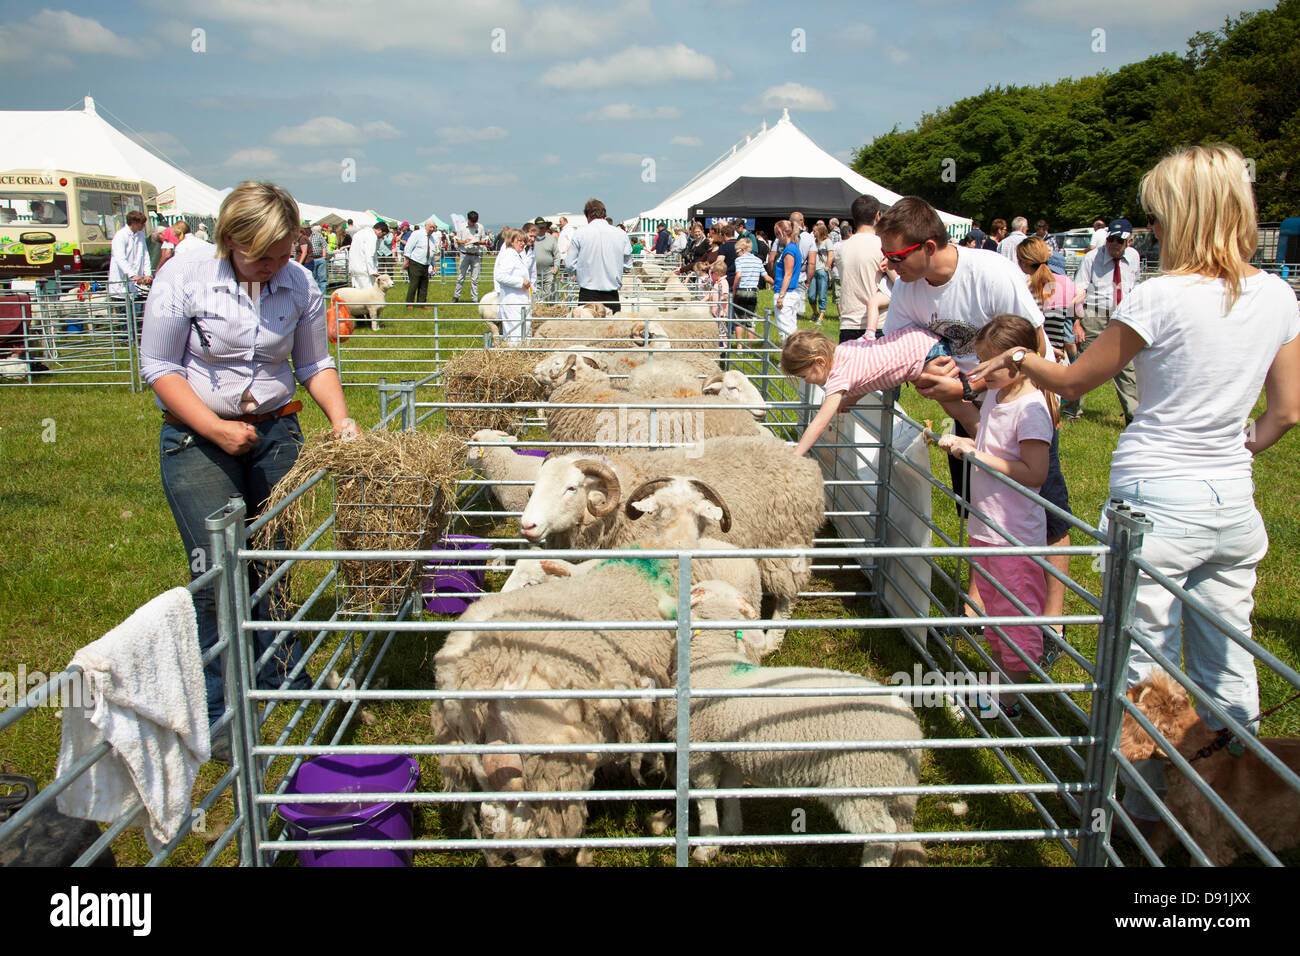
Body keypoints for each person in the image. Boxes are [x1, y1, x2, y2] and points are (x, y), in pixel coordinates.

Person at [970, 144, 1300, 800]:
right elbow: (1287, 411)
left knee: (1141, 657)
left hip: (1156, 498)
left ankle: (1141, 808)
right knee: (1229, 654)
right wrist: (1235, 451)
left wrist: (1022, 359)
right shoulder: (1278, 294)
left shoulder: (1159, 298)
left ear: (1181, 217)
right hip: (1232, 499)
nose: (1151, 228)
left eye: (1156, 217)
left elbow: (1072, 380)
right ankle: (1230, 799)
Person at [139, 180, 362, 760]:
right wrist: (214, 429)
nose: (277, 263)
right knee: (216, 569)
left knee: (272, 558)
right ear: (230, 241)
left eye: (286, 250)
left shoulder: (299, 282)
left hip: (275, 432)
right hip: (196, 436)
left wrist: (340, 421)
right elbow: (160, 365)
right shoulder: (183, 277)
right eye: (264, 254)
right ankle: (219, 705)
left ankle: (280, 671)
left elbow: (312, 360)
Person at [878, 196, 1074, 639]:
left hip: (1019, 404)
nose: (891, 266)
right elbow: (897, 348)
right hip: (964, 411)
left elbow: (1032, 349)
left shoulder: (990, 273)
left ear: (929, 245)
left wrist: (968, 387)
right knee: (978, 504)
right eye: (886, 257)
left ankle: (1054, 616)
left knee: (1048, 510)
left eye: (897, 256)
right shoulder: (908, 289)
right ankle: (978, 601)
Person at [941, 315, 1056, 717]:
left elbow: (1035, 473)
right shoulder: (996, 396)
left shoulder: (1031, 409)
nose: (981, 368)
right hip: (986, 526)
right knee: (995, 609)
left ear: (1021, 361)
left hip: (1014, 533)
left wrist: (979, 456)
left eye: (991, 361)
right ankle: (1000, 685)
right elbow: (994, 448)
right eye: (979, 358)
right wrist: (965, 443)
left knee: (1016, 615)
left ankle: (1011, 700)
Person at [782, 327, 965, 458]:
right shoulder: (847, 350)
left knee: (958, 409)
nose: (806, 381)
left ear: (820, 362)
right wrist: (847, 402)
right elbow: (868, 377)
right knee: (957, 406)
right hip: (921, 340)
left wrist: (796, 455)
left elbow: (820, 421)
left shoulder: (839, 375)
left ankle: (980, 446)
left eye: (804, 376)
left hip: (925, 354)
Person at [1066, 217, 1141, 423]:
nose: (1114, 244)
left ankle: (1133, 415)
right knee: (1084, 363)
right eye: (1111, 240)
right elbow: (1079, 289)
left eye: (1119, 240)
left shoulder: (1133, 257)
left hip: (1124, 316)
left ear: (1129, 241)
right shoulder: (1092, 257)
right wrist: (1077, 321)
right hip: (1094, 315)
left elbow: (1133, 286)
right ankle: (1072, 411)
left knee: (1126, 366)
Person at [837, 195, 890, 343]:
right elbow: (900, 284)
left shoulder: (841, 248)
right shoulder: (883, 245)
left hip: (848, 323)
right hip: (879, 324)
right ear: (878, 215)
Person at [1017, 236, 1081, 358]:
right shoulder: (1064, 282)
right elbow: (1075, 314)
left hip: (1035, 355)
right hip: (1056, 354)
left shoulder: (1025, 289)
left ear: (1023, 263)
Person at [566, 198, 631, 313]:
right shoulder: (620, 234)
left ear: (587, 215)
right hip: (611, 294)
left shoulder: (580, 233)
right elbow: (627, 265)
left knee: (587, 329)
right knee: (611, 329)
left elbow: (570, 264)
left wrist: (580, 273)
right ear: (604, 214)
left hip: (588, 294)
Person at [108, 210, 151, 334]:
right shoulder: (120, 236)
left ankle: (136, 336)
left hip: (137, 280)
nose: (143, 227)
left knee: (137, 311)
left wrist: (147, 273)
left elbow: (145, 255)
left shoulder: (140, 235)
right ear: (133, 223)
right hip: (123, 280)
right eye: (141, 224)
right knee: (125, 311)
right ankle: (126, 337)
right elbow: (120, 258)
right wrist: (132, 274)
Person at [492, 226, 532, 343]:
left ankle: (522, 355)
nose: (522, 243)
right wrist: (520, 282)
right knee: (515, 335)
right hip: (512, 301)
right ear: (511, 241)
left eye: (524, 241)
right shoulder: (509, 255)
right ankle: (516, 357)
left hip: (519, 300)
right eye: (519, 241)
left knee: (522, 332)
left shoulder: (516, 255)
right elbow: (500, 276)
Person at [770, 219, 804, 340]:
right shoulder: (794, 248)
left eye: (777, 235)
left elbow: (788, 274)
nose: (778, 239)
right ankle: (795, 355)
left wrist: (781, 296)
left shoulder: (789, 250)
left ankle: (788, 355)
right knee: (791, 329)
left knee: (785, 331)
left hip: (786, 293)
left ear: (782, 233)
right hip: (791, 293)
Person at [731, 236, 764, 344]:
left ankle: (740, 346)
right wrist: (776, 284)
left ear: (743, 249)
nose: (737, 254)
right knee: (751, 320)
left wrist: (734, 289)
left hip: (741, 291)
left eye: (737, 251)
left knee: (739, 319)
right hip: (753, 292)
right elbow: (765, 276)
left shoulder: (739, 260)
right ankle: (749, 347)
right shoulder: (758, 261)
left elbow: (739, 275)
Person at [453, 210, 488, 302]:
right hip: (465, 254)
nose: (473, 224)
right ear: (468, 219)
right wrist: (465, 241)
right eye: (472, 222)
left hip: (475, 255)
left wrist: (478, 242)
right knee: (461, 277)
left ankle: (475, 299)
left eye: (475, 222)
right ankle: (456, 296)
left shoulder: (480, 227)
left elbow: (484, 241)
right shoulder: (462, 227)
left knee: (475, 279)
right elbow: (457, 240)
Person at [403, 219, 436, 305]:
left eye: (433, 227)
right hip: (415, 262)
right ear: (425, 226)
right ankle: (409, 304)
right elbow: (409, 246)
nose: (432, 229)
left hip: (426, 264)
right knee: (414, 284)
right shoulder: (417, 234)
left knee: (424, 285)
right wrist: (407, 259)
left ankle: (421, 304)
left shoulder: (432, 238)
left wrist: (433, 265)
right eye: (430, 227)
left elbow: (432, 252)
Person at [348, 219, 386, 291]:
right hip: (364, 270)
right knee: (368, 294)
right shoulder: (372, 236)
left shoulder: (359, 233)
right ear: (379, 230)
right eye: (383, 234)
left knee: (357, 292)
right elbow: (369, 254)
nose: (382, 237)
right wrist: (372, 271)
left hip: (355, 268)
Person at [809, 223, 833, 324]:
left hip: (822, 270)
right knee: (811, 295)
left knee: (822, 294)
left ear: (820, 231)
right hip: (813, 271)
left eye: (815, 231)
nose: (813, 233)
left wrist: (826, 267)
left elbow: (831, 255)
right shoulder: (813, 242)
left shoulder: (827, 242)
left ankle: (821, 317)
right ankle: (815, 312)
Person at [532, 218, 558, 301]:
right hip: (535, 273)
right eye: (539, 228)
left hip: (549, 273)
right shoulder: (531, 240)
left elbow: (557, 255)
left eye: (543, 227)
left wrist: (556, 267)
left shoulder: (551, 239)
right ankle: (536, 312)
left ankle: (550, 312)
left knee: (550, 295)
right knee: (535, 297)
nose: (542, 230)